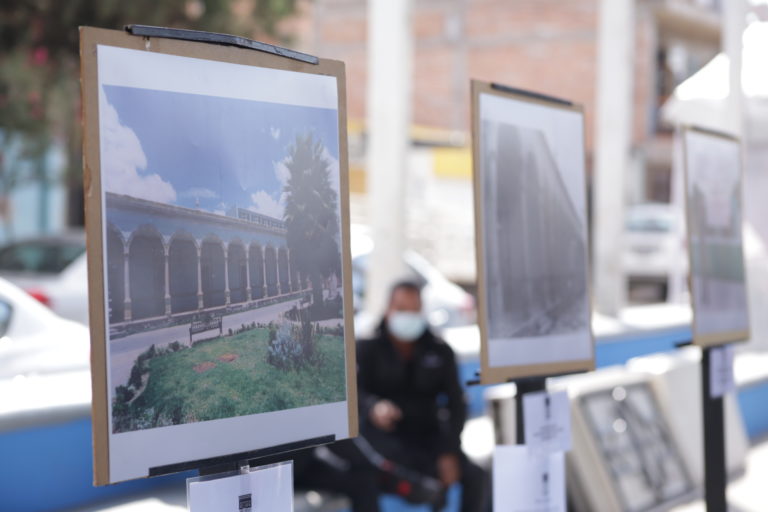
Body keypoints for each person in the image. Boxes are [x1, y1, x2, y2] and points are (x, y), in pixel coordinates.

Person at [355, 279, 489, 512]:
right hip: (386, 444)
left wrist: (449, 450)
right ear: (389, 310)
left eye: (414, 310)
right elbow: (354, 393)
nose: (408, 316)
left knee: (476, 476)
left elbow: (456, 403)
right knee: (368, 482)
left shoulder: (439, 349)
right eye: (401, 309)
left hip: (430, 440)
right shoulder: (367, 348)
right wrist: (373, 407)